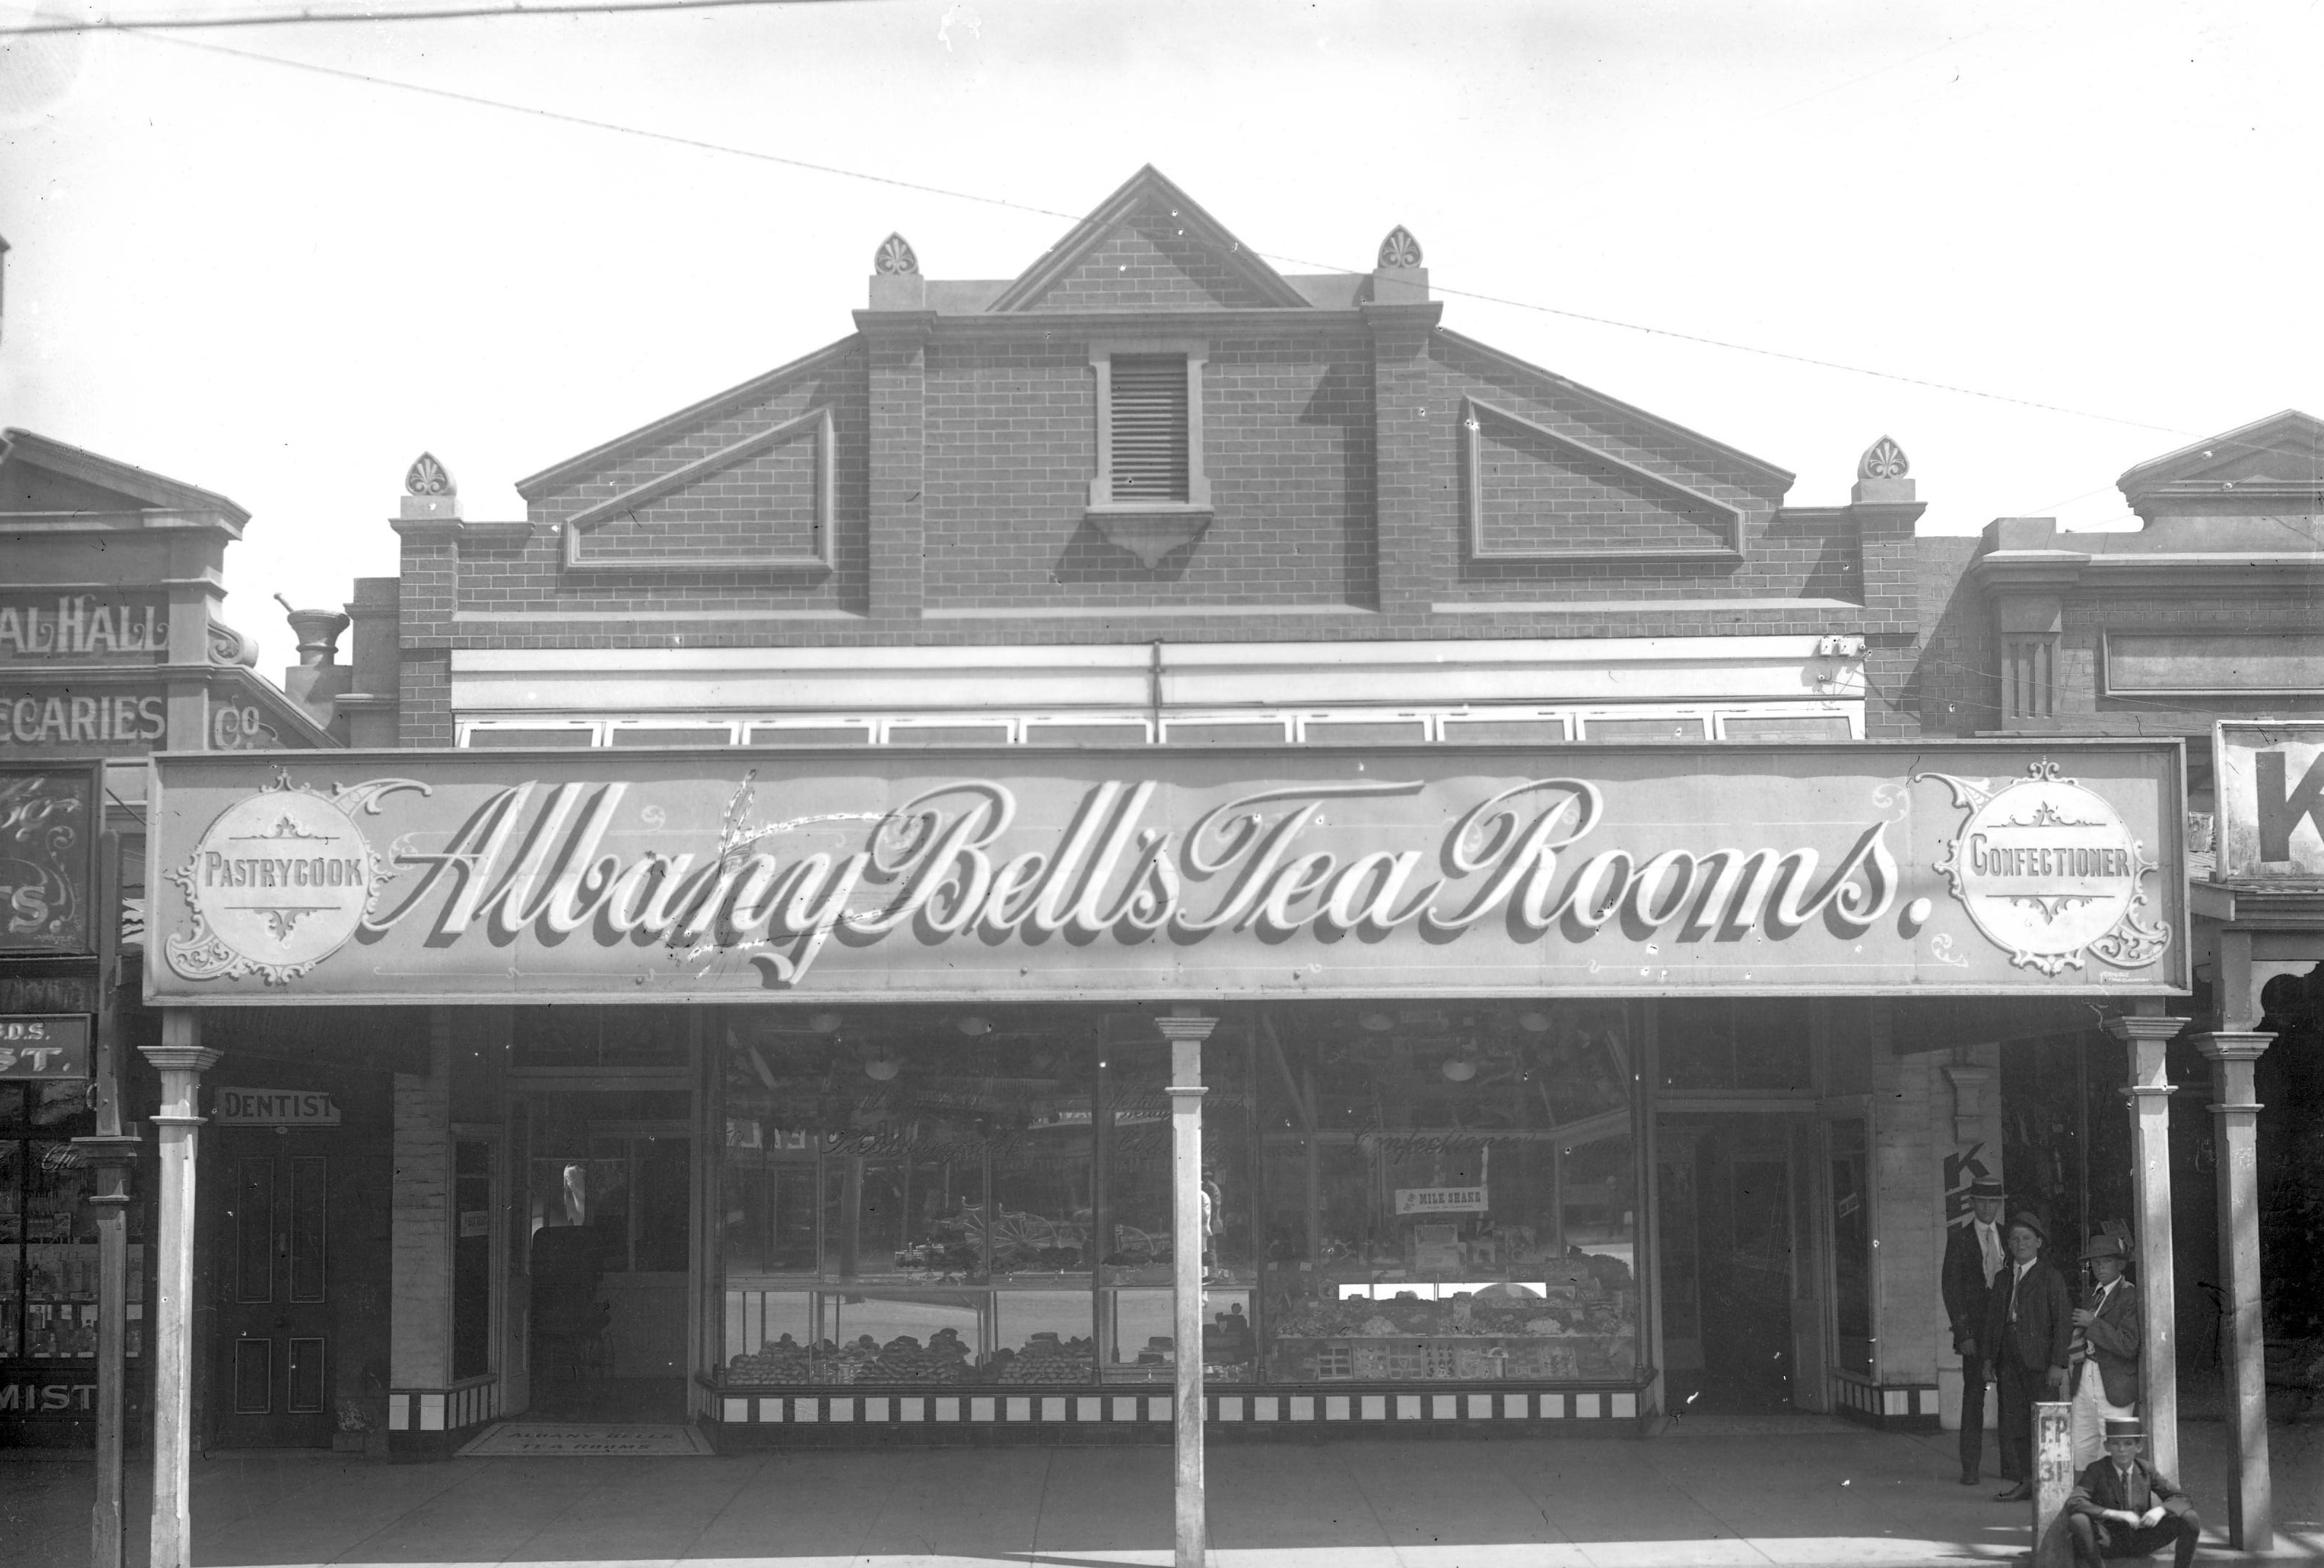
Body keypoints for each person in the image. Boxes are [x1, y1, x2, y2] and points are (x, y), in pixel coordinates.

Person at [1985, 1209, 2072, 1502]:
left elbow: (2063, 1321)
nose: (2020, 1243)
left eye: (2026, 1238)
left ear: (2038, 1243)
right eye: (2014, 1239)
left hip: (2041, 1362)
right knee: (2017, 1424)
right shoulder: (2002, 1279)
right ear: (2008, 1245)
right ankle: (2026, 1481)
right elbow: (1994, 1321)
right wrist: (1988, 1360)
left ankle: (2051, 1487)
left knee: (2047, 1422)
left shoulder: (2050, 1277)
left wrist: (2058, 1363)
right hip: (2009, 1361)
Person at [1941, 1176, 2010, 1484]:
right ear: (1971, 1203)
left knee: (2011, 1399)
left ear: (1999, 1204)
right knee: (1973, 1398)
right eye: (1981, 1201)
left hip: (2007, 1331)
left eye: (1992, 1202)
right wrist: (1963, 1333)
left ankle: (2012, 1467)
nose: (1987, 1207)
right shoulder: (1959, 1238)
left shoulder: (2010, 1237)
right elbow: (1951, 1290)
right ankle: (1970, 1467)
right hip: (1976, 1333)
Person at [2066, 1416, 2201, 1567]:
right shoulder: (2096, 1469)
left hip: (2140, 1538)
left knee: (2190, 1518)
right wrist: (2116, 1514)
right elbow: (2074, 1502)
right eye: (2115, 1444)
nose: (2122, 1449)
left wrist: (2161, 1510)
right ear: (2106, 1446)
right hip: (2107, 1540)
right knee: (2079, 1520)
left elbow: (2182, 1498)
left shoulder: (2145, 1469)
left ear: (2139, 1447)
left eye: (2128, 1443)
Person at [2069, 1233, 2141, 1467]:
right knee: (2081, 1443)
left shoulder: (2130, 1295)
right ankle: (2087, 1497)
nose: (2099, 1267)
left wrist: (2093, 1324)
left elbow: (2129, 1344)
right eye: (2096, 1262)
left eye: (2106, 1261)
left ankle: (2114, 1499)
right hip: (2086, 1374)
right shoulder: (2092, 1295)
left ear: (2120, 1264)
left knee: (2114, 1444)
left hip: (2114, 1378)